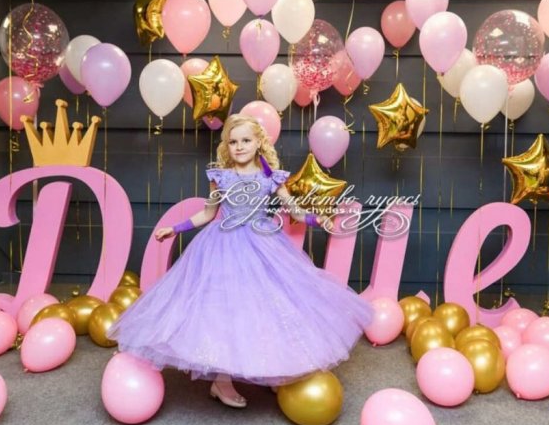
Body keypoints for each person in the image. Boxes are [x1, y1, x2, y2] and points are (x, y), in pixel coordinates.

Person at [107, 114, 373, 409]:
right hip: (222, 245)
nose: (239, 146)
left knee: (268, 306)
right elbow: (208, 213)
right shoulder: (221, 176)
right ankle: (221, 380)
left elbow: (294, 211)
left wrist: (318, 219)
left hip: (264, 245)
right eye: (233, 142)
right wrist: (176, 228)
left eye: (246, 140)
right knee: (224, 309)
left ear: (259, 142)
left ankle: (272, 367)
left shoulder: (271, 177)